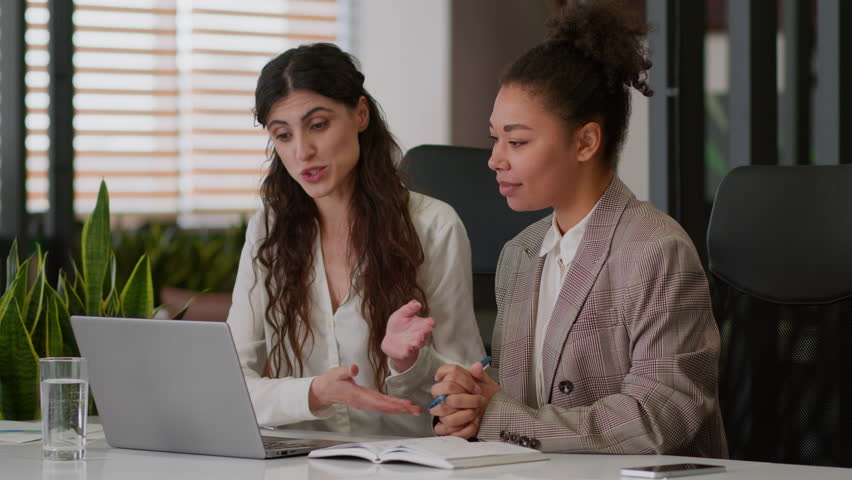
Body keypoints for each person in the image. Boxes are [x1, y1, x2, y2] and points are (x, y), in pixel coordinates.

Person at [430, 0, 728, 457]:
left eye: (518, 141)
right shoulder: (521, 253)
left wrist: (497, 415)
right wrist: (472, 402)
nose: (495, 158)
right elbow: (520, 406)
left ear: (586, 141)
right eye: (495, 138)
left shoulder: (655, 249)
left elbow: (658, 420)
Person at [227, 43, 485, 436]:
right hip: (300, 464)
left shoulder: (434, 227)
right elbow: (229, 381)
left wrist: (409, 363)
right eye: (283, 135)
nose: (302, 152)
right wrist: (314, 393)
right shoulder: (268, 230)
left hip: (407, 463)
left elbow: (463, 395)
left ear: (360, 114)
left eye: (318, 125)